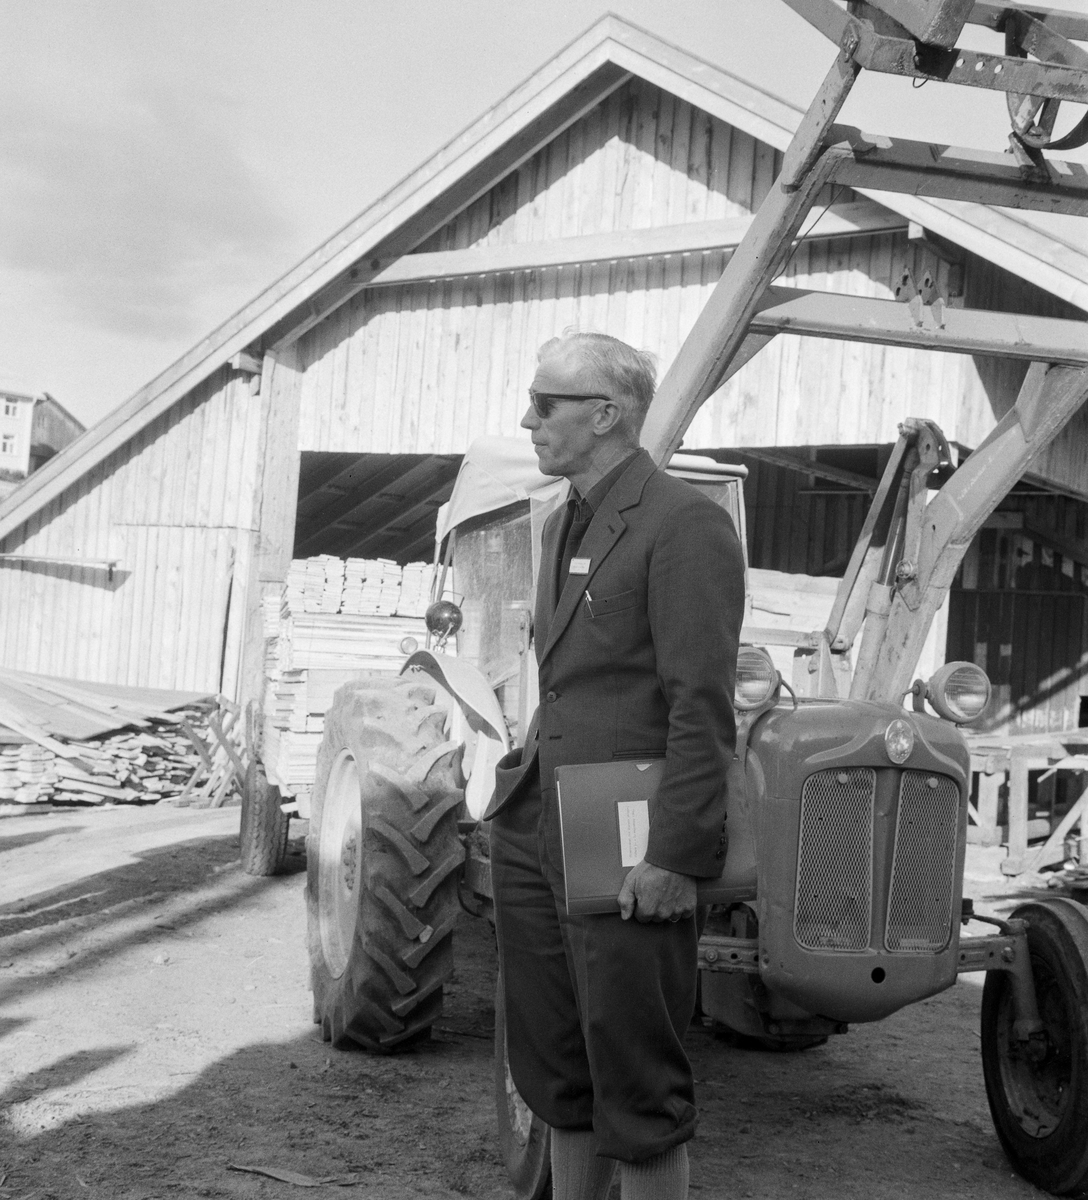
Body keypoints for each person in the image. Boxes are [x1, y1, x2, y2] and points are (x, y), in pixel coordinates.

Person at [485, 331, 745, 1200]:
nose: (529, 420)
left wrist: (675, 855)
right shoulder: (563, 521)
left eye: (545, 403)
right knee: (557, 1067)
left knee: (635, 1075)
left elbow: (700, 707)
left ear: (605, 414)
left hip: (626, 840)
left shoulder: (684, 525)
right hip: (538, 827)